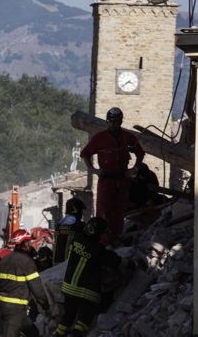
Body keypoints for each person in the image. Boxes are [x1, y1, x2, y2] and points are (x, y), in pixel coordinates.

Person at [53, 217, 132, 337]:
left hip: (69, 287)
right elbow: (112, 260)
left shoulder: (77, 239)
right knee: (85, 316)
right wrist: (130, 264)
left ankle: (58, 334)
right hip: (87, 290)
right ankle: (77, 333)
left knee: (68, 315)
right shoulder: (97, 249)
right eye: (102, 233)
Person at [80, 107, 145, 244]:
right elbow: (85, 153)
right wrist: (93, 170)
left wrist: (135, 168)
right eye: (112, 122)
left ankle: (116, 238)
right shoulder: (99, 138)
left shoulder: (128, 137)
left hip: (122, 179)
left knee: (119, 211)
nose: (114, 124)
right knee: (104, 211)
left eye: (117, 121)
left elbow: (140, 153)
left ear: (121, 121)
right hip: (106, 180)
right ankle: (102, 241)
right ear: (107, 121)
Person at [0, 229, 48, 337]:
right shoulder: (26, 261)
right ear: (24, 243)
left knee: (34, 333)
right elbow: (36, 287)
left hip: (4, 307)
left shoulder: (4, 260)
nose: (30, 245)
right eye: (28, 242)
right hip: (16, 310)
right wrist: (45, 303)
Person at [52, 197, 87, 265]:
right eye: (81, 211)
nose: (82, 214)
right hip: (69, 264)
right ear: (76, 210)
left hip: (56, 263)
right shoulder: (79, 226)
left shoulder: (59, 225)